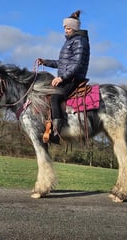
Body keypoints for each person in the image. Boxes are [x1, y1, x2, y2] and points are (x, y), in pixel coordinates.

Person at [37, 10, 90, 143]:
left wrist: (62, 78)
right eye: (64, 28)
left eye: (67, 28)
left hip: (73, 78)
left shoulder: (80, 41)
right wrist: (45, 62)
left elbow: (77, 64)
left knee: (55, 97)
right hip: (68, 77)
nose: (65, 30)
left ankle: (56, 134)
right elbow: (62, 63)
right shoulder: (71, 41)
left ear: (73, 28)